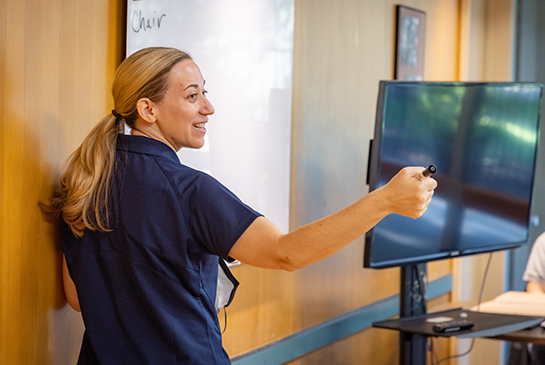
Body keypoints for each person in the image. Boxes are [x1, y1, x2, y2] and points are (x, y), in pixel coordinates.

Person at [47, 47, 437, 364]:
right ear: (148, 110)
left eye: (205, 91)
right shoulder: (188, 190)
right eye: (192, 95)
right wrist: (385, 200)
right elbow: (286, 254)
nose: (209, 107)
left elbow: (79, 298)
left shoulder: (85, 181)